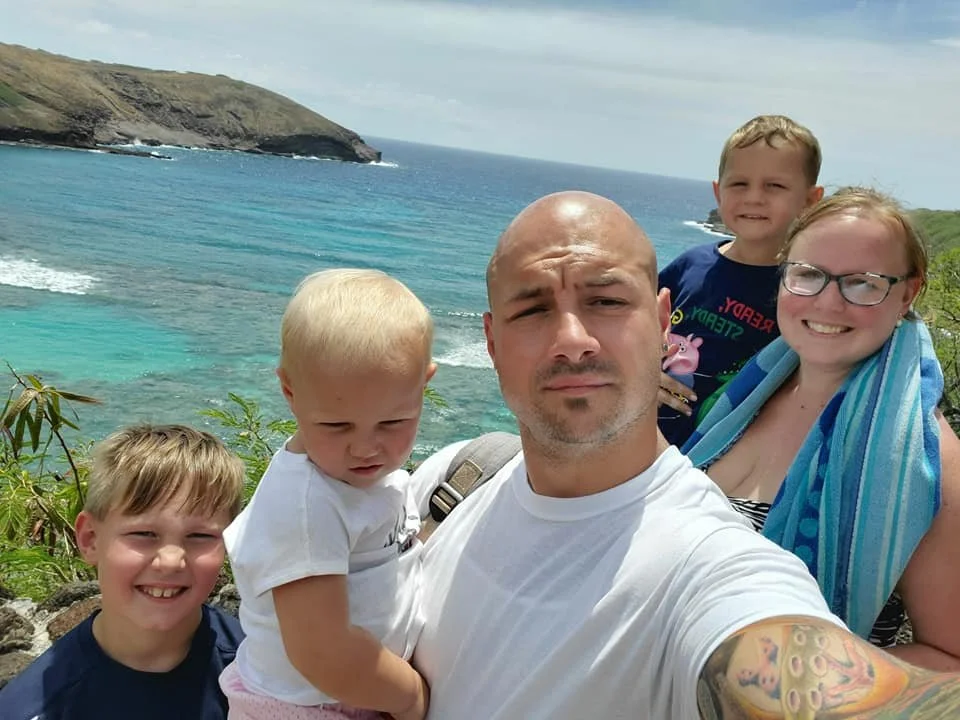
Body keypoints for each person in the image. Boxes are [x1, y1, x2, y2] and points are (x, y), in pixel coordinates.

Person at [410, 190, 960, 719]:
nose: (572, 338)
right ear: (491, 342)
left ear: (661, 322)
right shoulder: (453, 481)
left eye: (605, 301)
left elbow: (780, 655)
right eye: (531, 309)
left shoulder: (715, 563)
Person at [683, 187, 960, 671]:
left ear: (907, 294)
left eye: (862, 283)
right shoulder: (744, 397)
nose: (829, 303)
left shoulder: (930, 458)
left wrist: (785, 681)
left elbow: (950, 656)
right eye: (808, 275)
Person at [220, 269, 435, 720]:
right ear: (288, 392)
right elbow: (324, 653)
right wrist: (412, 697)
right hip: (303, 705)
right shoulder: (306, 505)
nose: (365, 447)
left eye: (394, 422)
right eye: (336, 426)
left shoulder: (369, 476)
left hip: (343, 693)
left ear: (424, 385)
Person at [0, 424, 247, 720]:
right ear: (91, 538)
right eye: (144, 533)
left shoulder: (266, 671)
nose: (171, 561)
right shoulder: (34, 708)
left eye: (200, 537)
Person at [658, 114, 824, 447]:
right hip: (644, 438)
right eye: (739, 184)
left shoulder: (805, 291)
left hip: (723, 460)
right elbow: (631, 328)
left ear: (810, 200)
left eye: (774, 186)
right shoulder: (691, 264)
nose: (754, 197)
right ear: (718, 193)